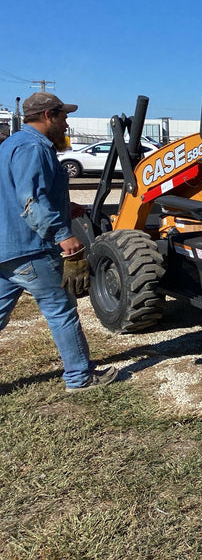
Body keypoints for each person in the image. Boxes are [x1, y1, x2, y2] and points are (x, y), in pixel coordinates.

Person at [0, 92, 117, 392]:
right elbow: (30, 200)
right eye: (63, 116)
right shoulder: (33, 148)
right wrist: (62, 235)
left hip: (6, 247)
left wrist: (68, 208)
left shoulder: (10, 145)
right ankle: (80, 377)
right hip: (32, 248)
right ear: (48, 116)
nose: (67, 123)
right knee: (61, 311)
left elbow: (16, 193)